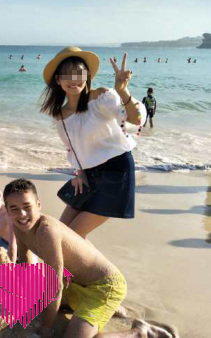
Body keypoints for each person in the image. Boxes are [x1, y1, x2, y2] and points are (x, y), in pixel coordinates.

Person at [3, 179, 178, 338]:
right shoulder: (19, 227)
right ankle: (96, 306)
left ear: (38, 204)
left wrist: (45, 330)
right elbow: (25, 265)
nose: (22, 214)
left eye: (27, 206)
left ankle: (141, 333)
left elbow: (55, 288)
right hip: (76, 282)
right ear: (7, 210)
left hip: (105, 286)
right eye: (14, 208)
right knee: (38, 301)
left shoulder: (47, 231)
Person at [40, 47, 146, 238]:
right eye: (67, 74)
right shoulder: (61, 115)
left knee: (72, 237)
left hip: (117, 171)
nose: (73, 79)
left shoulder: (101, 98)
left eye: (79, 73)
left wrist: (123, 91)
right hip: (88, 175)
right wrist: (79, 173)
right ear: (58, 79)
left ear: (87, 76)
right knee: (57, 234)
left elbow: (136, 120)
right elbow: (73, 149)